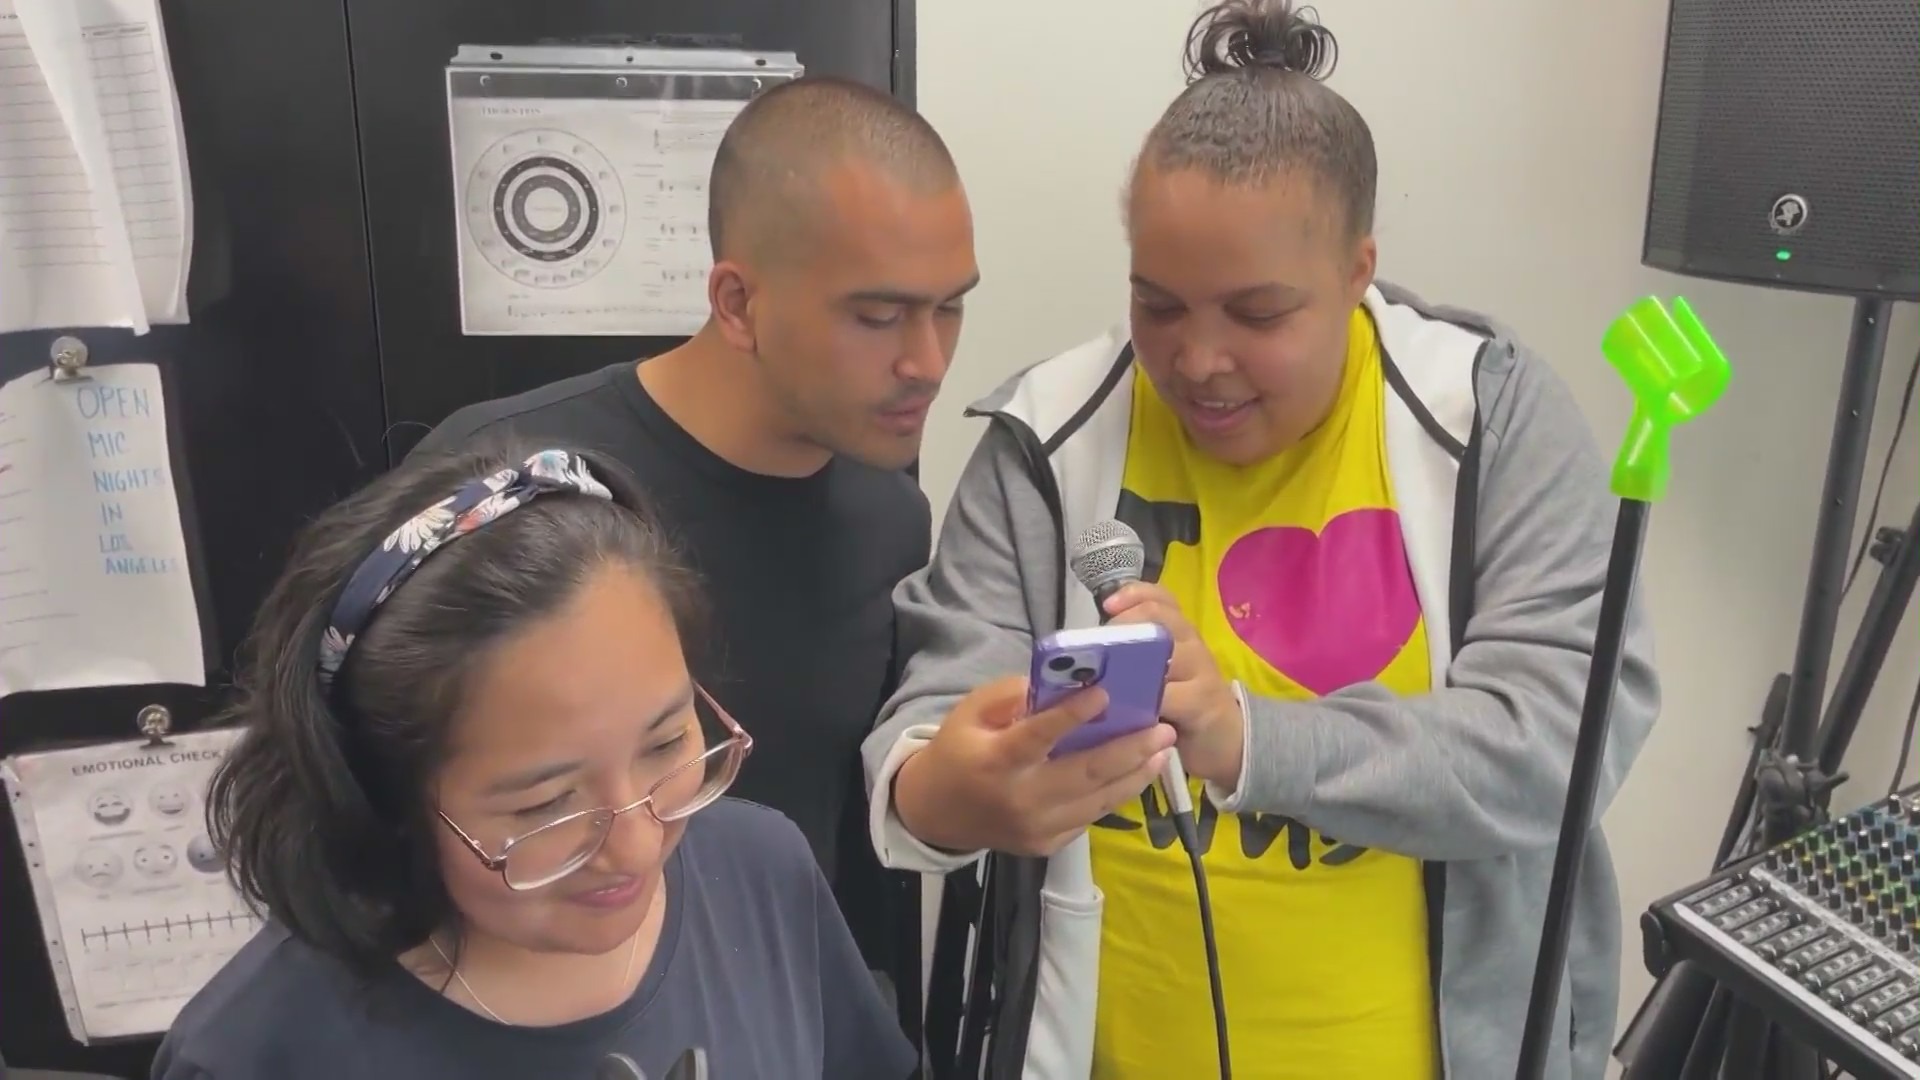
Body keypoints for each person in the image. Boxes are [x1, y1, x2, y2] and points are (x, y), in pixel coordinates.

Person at [863, 2, 1659, 1078]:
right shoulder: (1047, 437)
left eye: (1258, 313)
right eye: (1159, 305)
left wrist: (1249, 740)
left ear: (1357, 268)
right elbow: (930, 720)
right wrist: (942, 793)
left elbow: (1556, 750)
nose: (1197, 361)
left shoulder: (1486, 419)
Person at [408, 75, 977, 997]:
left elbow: (851, 849)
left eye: (949, 306)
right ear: (738, 303)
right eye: (878, 317)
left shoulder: (889, 517)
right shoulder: (503, 483)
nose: (929, 361)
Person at [153, 440, 917, 1080]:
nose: (637, 845)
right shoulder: (256, 1050)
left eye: (665, 745)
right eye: (545, 805)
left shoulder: (761, 874)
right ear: (380, 794)